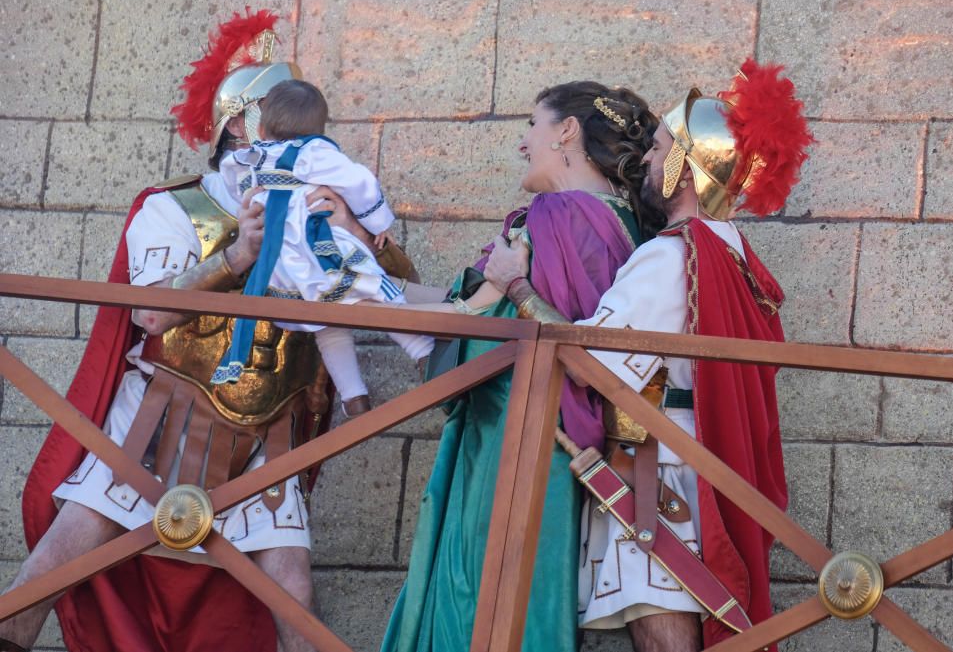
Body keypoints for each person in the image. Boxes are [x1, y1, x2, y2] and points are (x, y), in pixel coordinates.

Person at [1, 9, 418, 652]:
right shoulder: (174, 208)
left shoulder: (320, 200)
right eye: (275, 124)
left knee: (293, 598)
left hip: (265, 431)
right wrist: (235, 258)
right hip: (158, 417)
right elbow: (150, 313)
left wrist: (359, 233)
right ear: (239, 125)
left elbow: (395, 287)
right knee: (50, 571)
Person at [484, 60, 812, 652]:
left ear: (686, 168)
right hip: (696, 461)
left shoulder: (672, 257)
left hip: (658, 477)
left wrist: (517, 287)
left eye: (661, 149)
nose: (648, 162)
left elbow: (589, 361)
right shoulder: (737, 259)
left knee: (664, 637)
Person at [379, 81, 660, 652]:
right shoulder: (625, 223)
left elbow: (498, 329)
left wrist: (361, 290)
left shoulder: (558, 214)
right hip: (562, 446)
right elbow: (477, 307)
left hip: (514, 435)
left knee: (483, 598)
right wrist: (362, 280)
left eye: (533, 125)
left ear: (567, 131)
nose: (523, 143)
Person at [215, 78, 432, 415]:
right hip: (320, 248)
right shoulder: (315, 151)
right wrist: (378, 224)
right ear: (318, 127)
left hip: (281, 266)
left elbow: (235, 183)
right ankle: (423, 352)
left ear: (262, 125)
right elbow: (360, 182)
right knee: (377, 290)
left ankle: (353, 396)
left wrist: (258, 200)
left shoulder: (251, 158)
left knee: (326, 325)